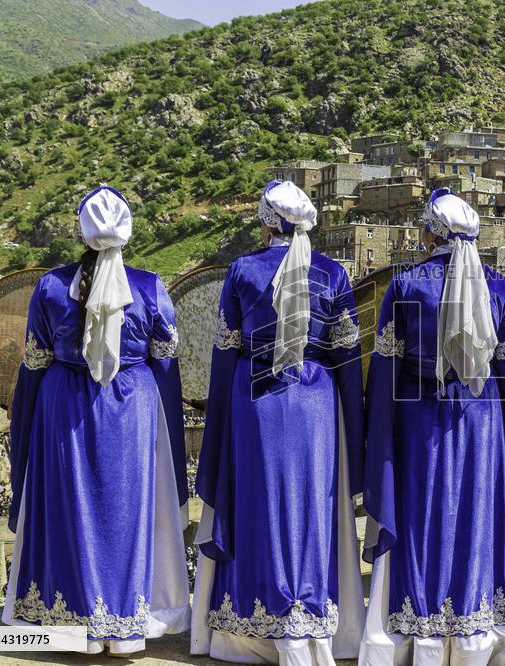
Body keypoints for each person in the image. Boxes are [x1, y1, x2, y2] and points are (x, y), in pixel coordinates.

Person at [2, 185, 190, 655]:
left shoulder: (50, 286)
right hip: (131, 408)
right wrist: (169, 428)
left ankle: (72, 616)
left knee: (70, 506)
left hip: (63, 407)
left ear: (81, 232)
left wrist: (23, 427)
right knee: (126, 509)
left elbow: (34, 363)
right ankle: (125, 618)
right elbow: (165, 364)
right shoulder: (149, 287)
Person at [360, 188, 505, 665]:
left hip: (420, 422)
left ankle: (421, 617)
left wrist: (377, 438)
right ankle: (478, 617)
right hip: (482, 424)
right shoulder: (499, 289)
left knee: (424, 512)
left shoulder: (405, 286)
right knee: (475, 511)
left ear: (427, 234)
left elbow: (383, 374)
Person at [191, 180, 365, 665]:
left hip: (255, 403)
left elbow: (225, 352)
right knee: (311, 507)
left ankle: (251, 629)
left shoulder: (243, 271)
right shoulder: (333, 274)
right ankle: (309, 621)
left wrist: (219, 420)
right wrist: (355, 432)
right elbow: (348, 359)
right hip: (316, 406)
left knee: (257, 503)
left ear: (268, 222)